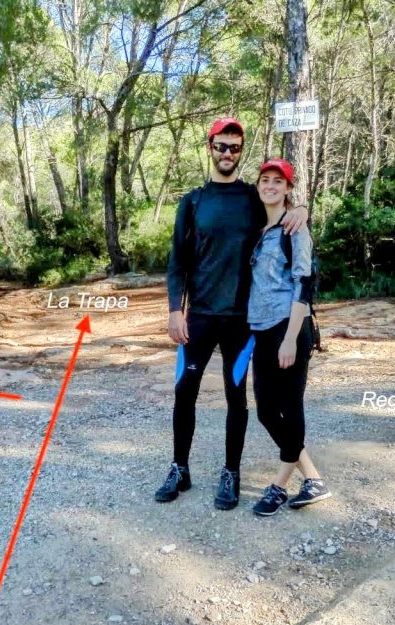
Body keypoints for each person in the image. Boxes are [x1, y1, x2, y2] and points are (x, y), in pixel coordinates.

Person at [155, 118, 308, 510]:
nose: (227, 153)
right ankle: (179, 468)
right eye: (221, 146)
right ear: (210, 147)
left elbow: (281, 206)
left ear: (241, 151)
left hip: (242, 321)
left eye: (234, 148)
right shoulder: (193, 202)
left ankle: (231, 472)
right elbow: (178, 262)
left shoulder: (251, 198)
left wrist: (303, 209)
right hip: (199, 317)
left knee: (235, 398)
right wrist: (176, 310)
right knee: (183, 393)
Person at [247, 158, 330, 516]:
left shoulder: (295, 229)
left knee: (289, 405)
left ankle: (279, 485)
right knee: (266, 411)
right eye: (265, 180)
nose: (270, 186)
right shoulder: (258, 227)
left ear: (287, 188)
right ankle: (313, 478)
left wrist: (290, 338)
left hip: (289, 328)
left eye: (277, 181)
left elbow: (304, 283)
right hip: (261, 329)